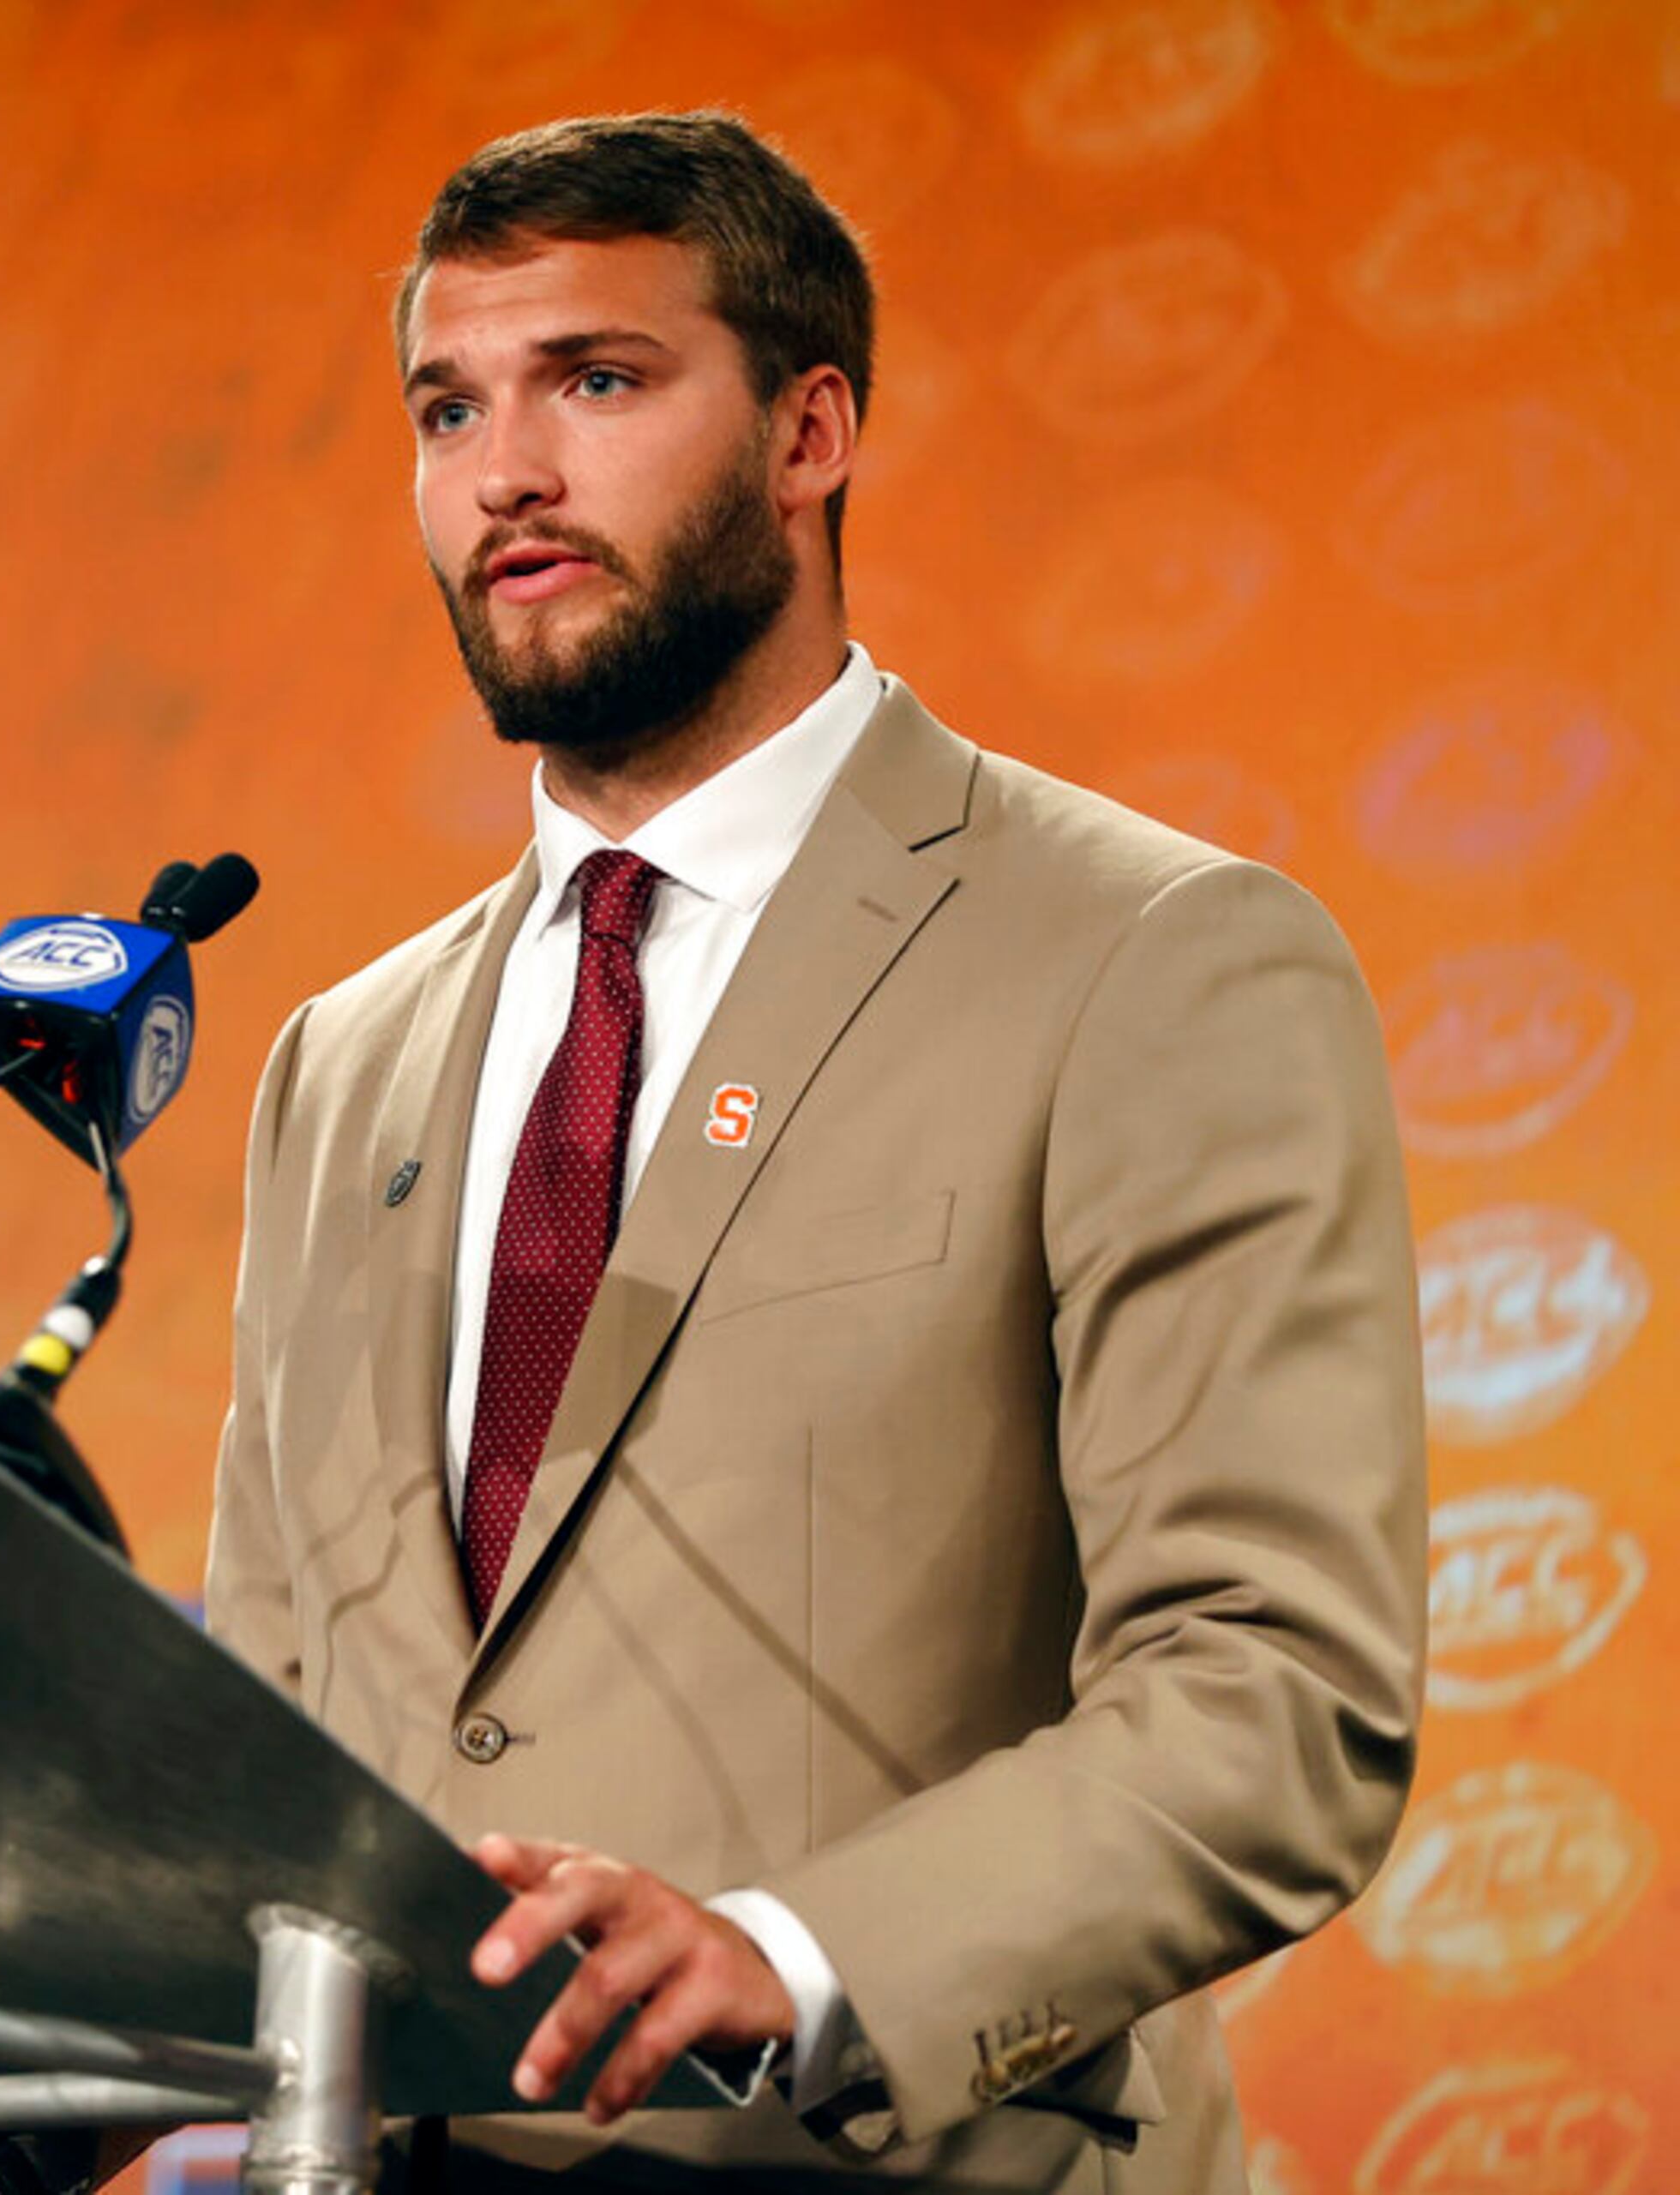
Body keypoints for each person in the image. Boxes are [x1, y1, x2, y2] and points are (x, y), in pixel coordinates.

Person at [201, 112, 1425, 2191]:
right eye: (446, 406)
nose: (506, 471)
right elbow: (266, 1740)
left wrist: (796, 1955)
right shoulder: (345, 1060)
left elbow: (1275, 1686)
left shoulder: (1149, 955)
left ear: (810, 430)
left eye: (597, 382)